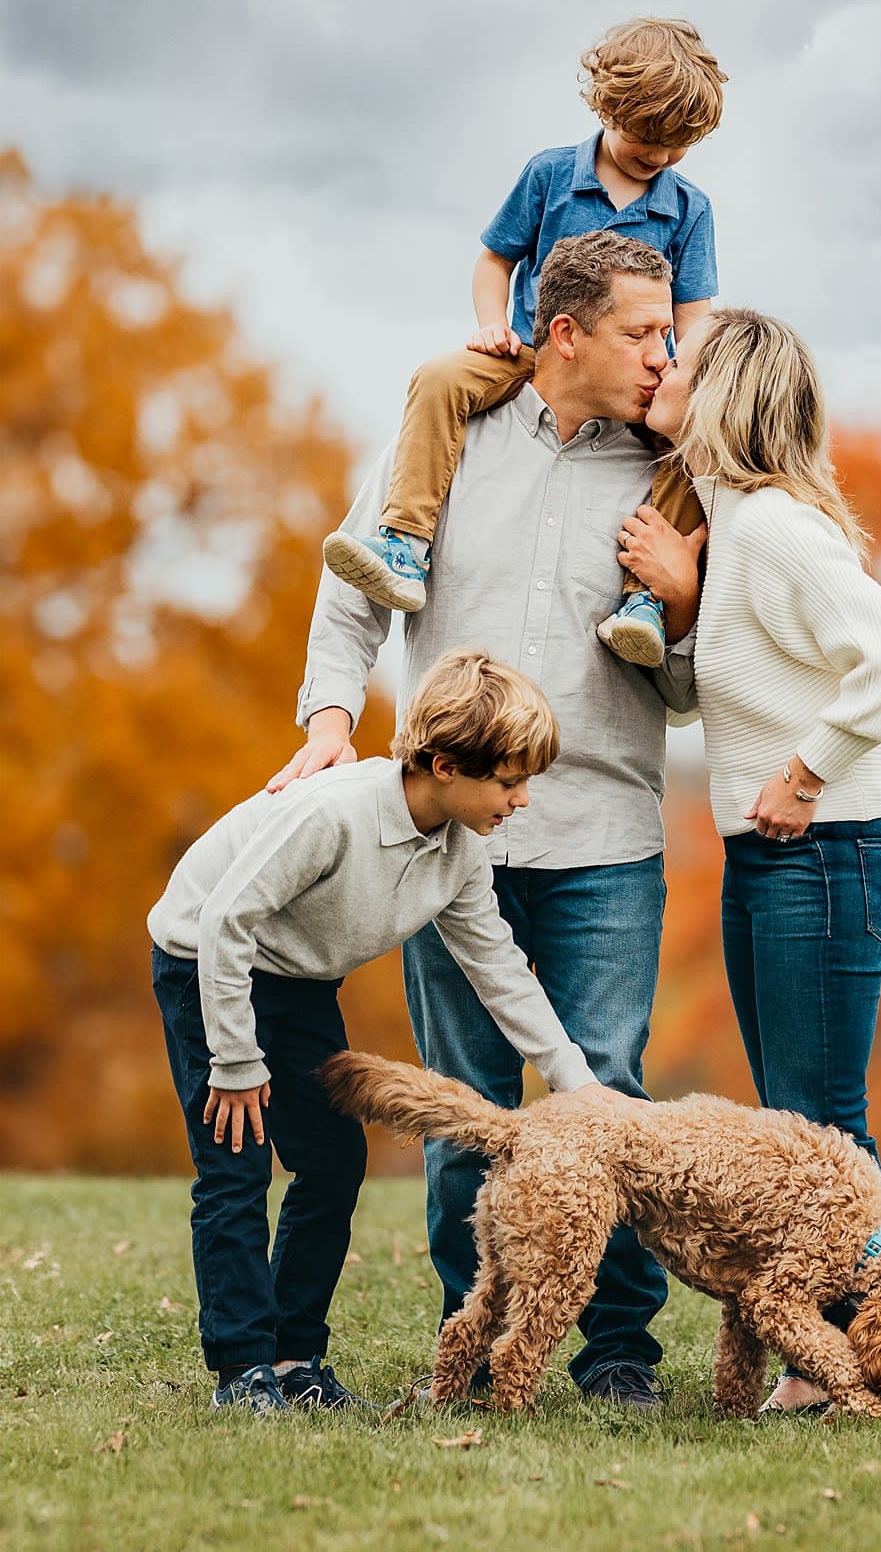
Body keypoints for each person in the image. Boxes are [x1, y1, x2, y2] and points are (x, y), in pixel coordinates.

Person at [270, 231, 703, 1410]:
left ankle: (617, 1351)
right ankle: (472, 1346)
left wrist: (677, 607)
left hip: (605, 842)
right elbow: (353, 594)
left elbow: (687, 691)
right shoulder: (447, 429)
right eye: (640, 333)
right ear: (563, 333)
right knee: (465, 1102)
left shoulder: (674, 473)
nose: (662, 357)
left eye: (667, 334)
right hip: (445, 837)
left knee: (603, 1088)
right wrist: (327, 721)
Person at [150, 649, 639, 1415]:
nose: (520, 800)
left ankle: (293, 1358)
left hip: (300, 983)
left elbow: (497, 967)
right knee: (236, 1165)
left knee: (333, 1161)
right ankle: (242, 1368)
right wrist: (235, 1061)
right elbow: (224, 923)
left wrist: (575, 1083)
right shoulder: (332, 815)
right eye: (508, 781)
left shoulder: (459, 850)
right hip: (207, 969)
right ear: (444, 765)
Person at [626, 306, 881, 1416]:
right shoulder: (729, 529)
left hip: (831, 846)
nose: (660, 365)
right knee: (795, 1125)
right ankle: (844, 1349)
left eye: (681, 358)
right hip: (775, 853)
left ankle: (863, 1357)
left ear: (721, 391)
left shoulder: (768, 527)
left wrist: (807, 772)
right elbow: (691, 701)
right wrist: (677, 604)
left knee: (820, 1126)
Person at [320, 16, 726, 669]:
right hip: (535, 357)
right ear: (607, 108)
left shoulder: (689, 208)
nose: (659, 157)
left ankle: (642, 602)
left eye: (678, 146)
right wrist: (493, 323)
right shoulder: (550, 175)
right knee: (439, 378)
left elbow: (694, 314)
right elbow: (495, 260)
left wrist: (685, 381)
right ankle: (405, 544)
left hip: (633, 376)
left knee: (687, 439)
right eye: (647, 139)